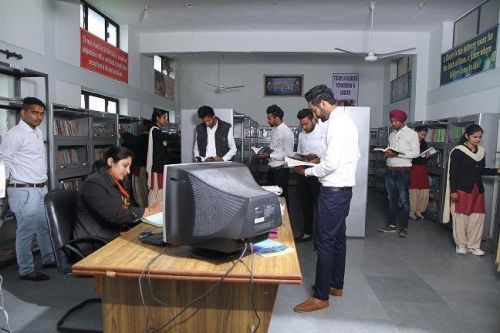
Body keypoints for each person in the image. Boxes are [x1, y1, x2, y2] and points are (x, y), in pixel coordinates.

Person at [293, 85, 360, 313]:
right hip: (343, 190)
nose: (314, 114)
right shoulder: (344, 122)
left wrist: (307, 171)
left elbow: (330, 165)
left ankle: (320, 296)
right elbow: (350, 155)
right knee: (338, 239)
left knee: (324, 242)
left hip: (333, 192)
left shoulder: (337, 125)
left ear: (322, 103)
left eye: (314, 109)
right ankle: (335, 285)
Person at [0, 97, 55, 281]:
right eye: (34, 112)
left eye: (41, 114)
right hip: (23, 190)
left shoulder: (37, 131)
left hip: (40, 188)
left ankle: (48, 259)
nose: (38, 117)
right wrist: (1, 192)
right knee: (26, 230)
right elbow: (3, 163)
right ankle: (26, 269)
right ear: (23, 112)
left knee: (44, 226)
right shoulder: (14, 134)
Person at [74, 146, 163, 244]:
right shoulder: (93, 184)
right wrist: (150, 210)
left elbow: (126, 208)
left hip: (113, 235)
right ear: (110, 162)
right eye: (125, 166)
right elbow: (117, 215)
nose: (128, 171)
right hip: (95, 243)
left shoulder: (115, 181)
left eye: (129, 167)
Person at [443, 124, 500, 256]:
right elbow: (453, 173)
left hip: (477, 189)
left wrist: (496, 171)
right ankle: (461, 244)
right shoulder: (458, 151)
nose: (478, 139)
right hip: (462, 189)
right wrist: (453, 191)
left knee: (477, 217)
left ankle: (474, 245)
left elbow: (481, 171)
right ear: (467, 136)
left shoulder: (481, 152)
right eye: (475, 137)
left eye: (480, 137)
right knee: (461, 216)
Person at [377, 109, 419, 238]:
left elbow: (415, 153)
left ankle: (404, 228)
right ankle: (392, 225)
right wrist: (386, 154)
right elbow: (391, 150)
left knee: (404, 200)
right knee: (391, 199)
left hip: (403, 171)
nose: (393, 123)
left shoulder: (412, 134)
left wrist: (397, 154)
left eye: (396, 121)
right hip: (390, 170)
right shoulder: (392, 134)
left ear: (403, 121)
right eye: (392, 121)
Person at [294, 108, 326, 242]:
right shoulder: (301, 135)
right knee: (305, 203)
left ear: (314, 119)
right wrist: (297, 160)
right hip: (303, 172)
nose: (304, 127)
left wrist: (314, 159)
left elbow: (324, 155)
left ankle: (320, 237)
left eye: (306, 123)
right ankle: (307, 232)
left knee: (319, 205)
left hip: (317, 173)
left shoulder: (323, 132)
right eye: (302, 124)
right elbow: (299, 152)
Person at [258, 104, 294, 204]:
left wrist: (270, 155)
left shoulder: (287, 132)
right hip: (272, 169)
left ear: (277, 118)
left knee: (282, 198)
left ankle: (285, 219)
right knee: (271, 197)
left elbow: (289, 154)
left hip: (281, 171)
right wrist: (265, 152)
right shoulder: (274, 130)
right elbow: (275, 148)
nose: (267, 120)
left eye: (269, 118)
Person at [120, 119, 152, 207]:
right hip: (146, 168)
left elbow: (134, 141)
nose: (140, 126)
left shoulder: (144, 138)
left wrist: (124, 133)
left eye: (141, 124)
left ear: (145, 126)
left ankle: (143, 210)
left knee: (140, 191)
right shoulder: (150, 137)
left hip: (140, 168)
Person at [146, 109, 169, 205]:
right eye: (164, 118)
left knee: (160, 192)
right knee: (155, 192)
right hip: (156, 168)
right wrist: (177, 135)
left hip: (160, 168)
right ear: (157, 118)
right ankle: (150, 214)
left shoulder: (158, 130)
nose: (166, 120)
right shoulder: (154, 130)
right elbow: (164, 136)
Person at [409, 126, 430, 220]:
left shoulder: (424, 143)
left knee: (424, 190)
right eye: (422, 134)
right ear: (416, 132)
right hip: (413, 168)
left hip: (423, 168)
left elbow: (424, 155)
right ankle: (411, 211)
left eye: (425, 135)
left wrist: (427, 155)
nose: (423, 137)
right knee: (414, 190)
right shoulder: (410, 142)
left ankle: (419, 210)